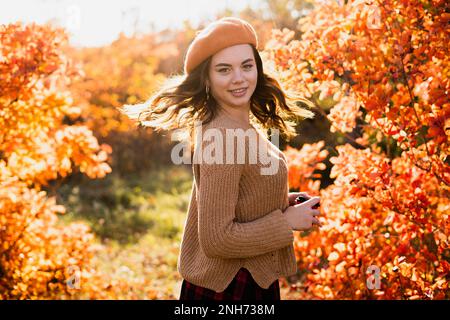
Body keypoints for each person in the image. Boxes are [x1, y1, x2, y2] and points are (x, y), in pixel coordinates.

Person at [122, 17, 321, 300]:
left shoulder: (239, 125)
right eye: (224, 69)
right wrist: (286, 222)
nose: (239, 78)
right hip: (228, 289)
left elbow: (237, 198)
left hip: (248, 279)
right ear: (208, 78)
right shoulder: (222, 136)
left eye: (247, 66)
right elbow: (217, 239)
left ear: (257, 68)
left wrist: (281, 204)